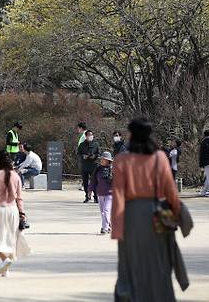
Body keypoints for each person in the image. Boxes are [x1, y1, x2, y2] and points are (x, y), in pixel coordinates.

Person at [111, 118, 181, 301]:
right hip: (157, 214)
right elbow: (171, 190)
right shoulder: (160, 158)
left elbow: (118, 195)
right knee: (158, 264)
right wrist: (177, 213)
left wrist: (117, 228)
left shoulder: (121, 160)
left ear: (132, 135)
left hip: (131, 217)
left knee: (130, 264)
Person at [0, 151, 30, 277]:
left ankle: (4, 260)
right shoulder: (15, 176)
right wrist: (22, 212)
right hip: (12, 210)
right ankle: (5, 269)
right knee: (9, 238)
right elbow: (19, 198)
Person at [87, 151, 114, 234]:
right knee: (103, 211)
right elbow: (93, 181)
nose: (102, 160)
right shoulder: (97, 169)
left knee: (106, 210)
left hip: (110, 193)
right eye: (101, 159)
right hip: (100, 193)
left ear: (108, 160)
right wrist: (90, 190)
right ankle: (109, 226)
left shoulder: (113, 169)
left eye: (104, 159)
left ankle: (104, 228)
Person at [77, 130, 101, 203]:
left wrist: (94, 156)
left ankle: (96, 197)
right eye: (89, 135)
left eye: (91, 135)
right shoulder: (81, 145)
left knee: (94, 182)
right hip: (84, 165)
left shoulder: (96, 144)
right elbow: (78, 154)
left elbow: (99, 153)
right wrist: (83, 156)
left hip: (94, 165)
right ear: (86, 136)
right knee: (85, 182)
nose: (90, 136)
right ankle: (87, 196)